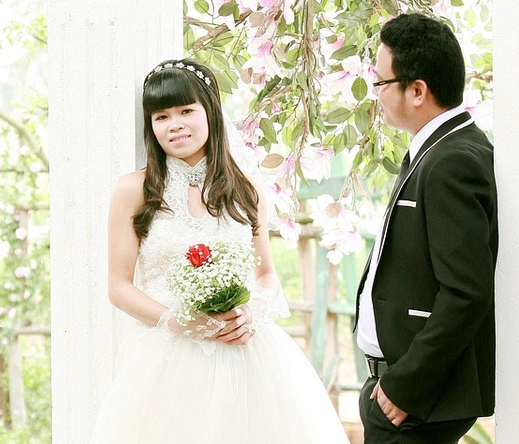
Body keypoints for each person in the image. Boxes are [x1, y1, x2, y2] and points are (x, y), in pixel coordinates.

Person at [88, 59, 349, 444]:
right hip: (166, 359)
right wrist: (179, 321)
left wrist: (251, 313)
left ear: (210, 111)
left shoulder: (247, 188)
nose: (174, 124)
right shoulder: (134, 190)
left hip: (246, 354)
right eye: (161, 116)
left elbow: (266, 273)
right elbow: (118, 286)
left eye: (186, 111)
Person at [354, 13, 498, 443]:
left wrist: (404, 388)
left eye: (380, 82)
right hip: (405, 396)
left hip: (415, 402)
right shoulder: (440, 149)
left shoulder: (452, 161)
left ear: (417, 90)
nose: (376, 94)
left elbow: (466, 292)